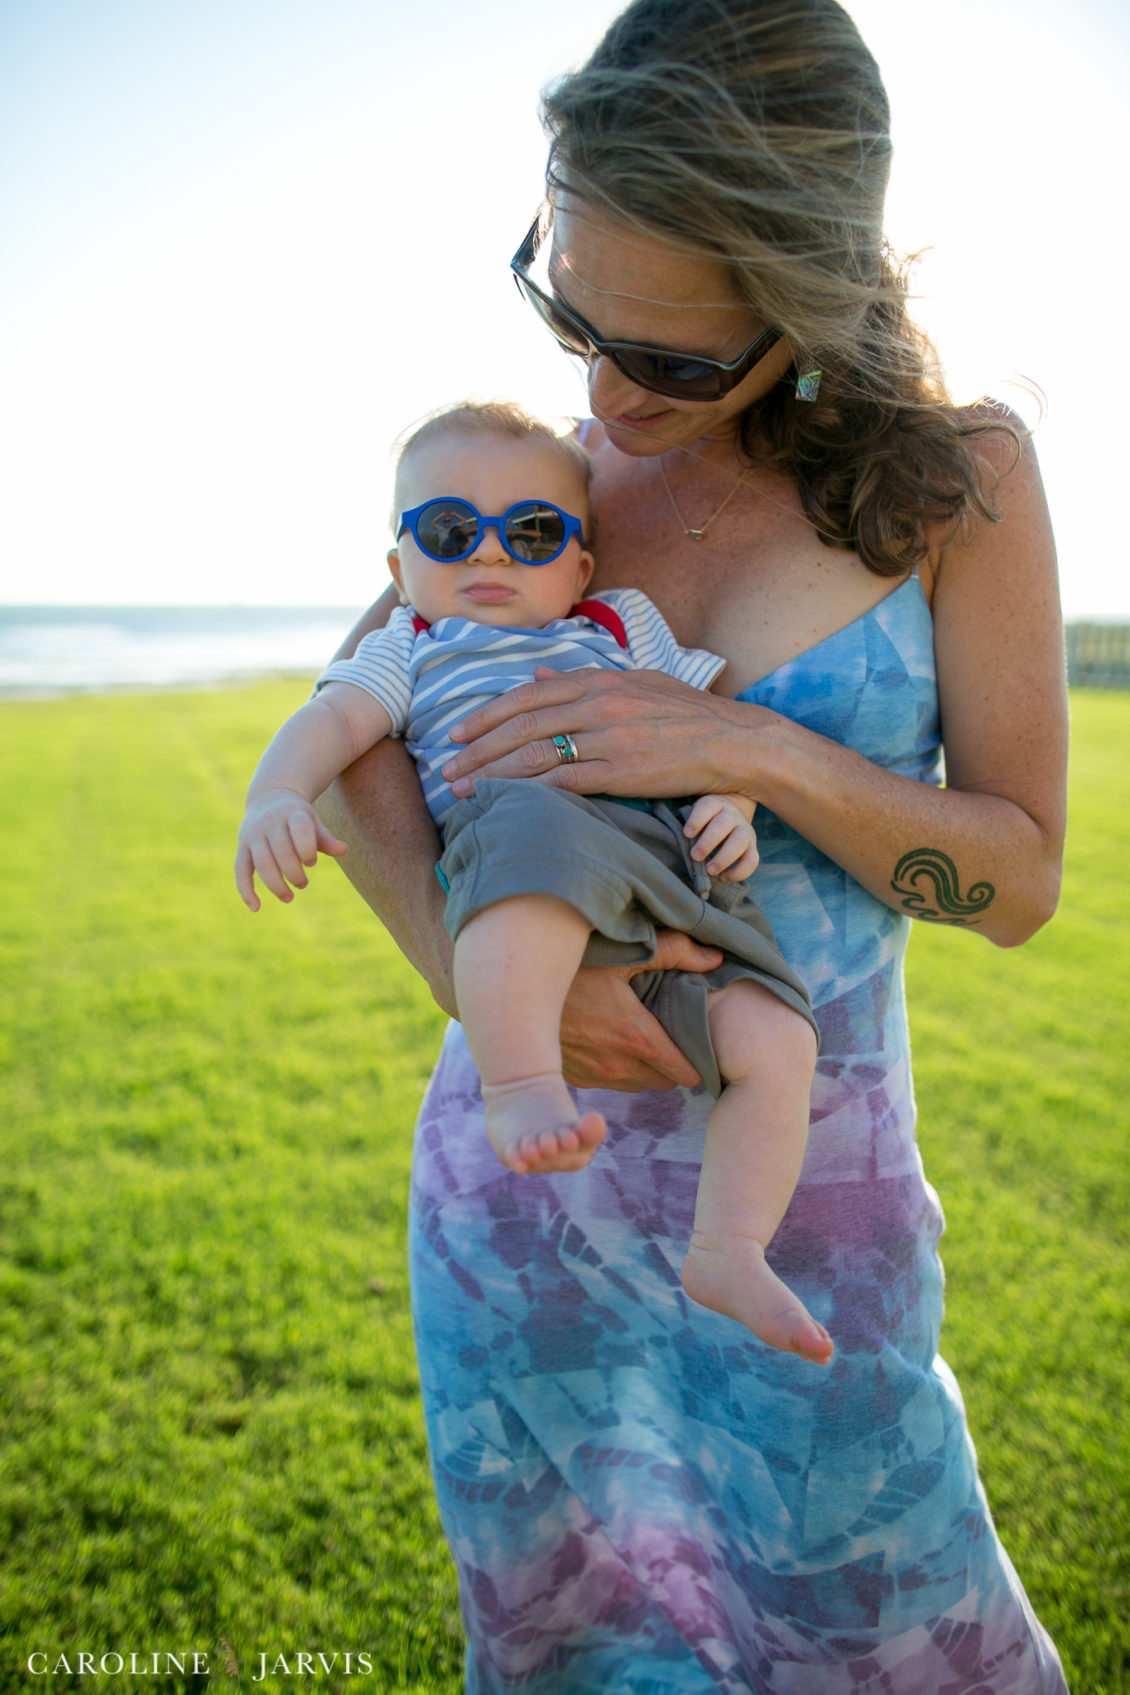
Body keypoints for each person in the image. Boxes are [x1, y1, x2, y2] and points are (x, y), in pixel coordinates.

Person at [316, 0, 1071, 1687]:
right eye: (566, 309)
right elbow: (353, 727)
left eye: (663, 357)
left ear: (813, 295)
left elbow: (1015, 882)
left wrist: (745, 745)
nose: (598, 392)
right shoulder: (548, 483)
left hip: (810, 1206)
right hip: (525, 1209)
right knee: (571, 1645)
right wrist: (470, 975)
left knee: (881, 1632)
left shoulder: (962, 484)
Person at [235, 399, 832, 1363]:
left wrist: (735, 796)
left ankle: (730, 1246)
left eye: (534, 532)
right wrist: (274, 797)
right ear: (400, 571)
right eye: (448, 530)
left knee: (776, 1032)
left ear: (581, 565)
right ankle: (520, 1082)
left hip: (661, 868)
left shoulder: (622, 624)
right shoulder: (412, 649)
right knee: (531, 851)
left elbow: (713, 720)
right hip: (521, 834)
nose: (491, 554)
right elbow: (330, 723)